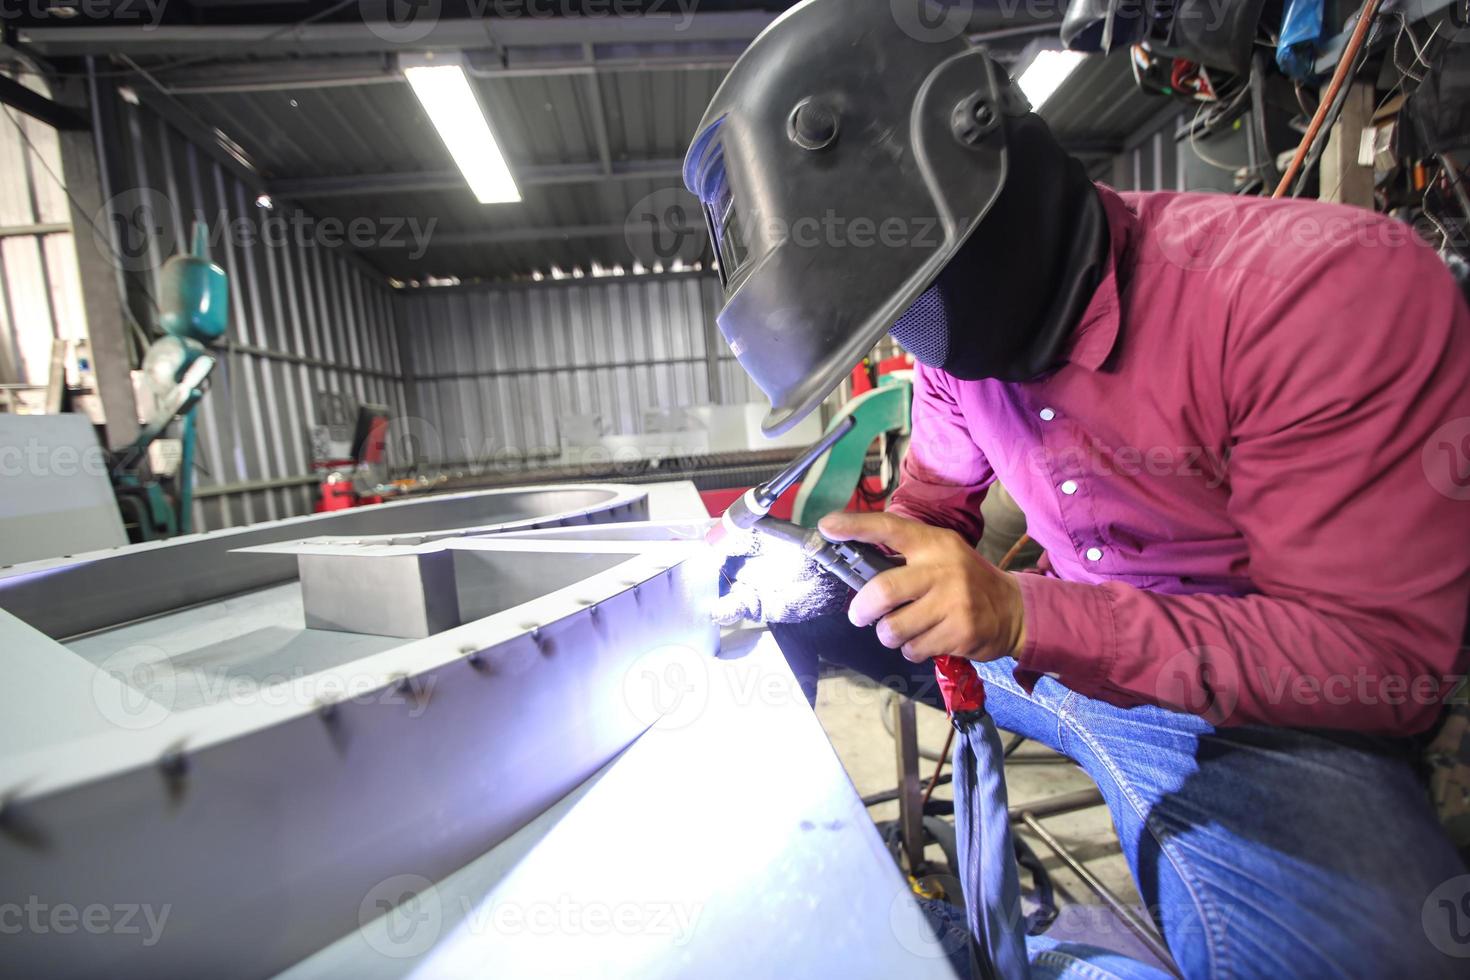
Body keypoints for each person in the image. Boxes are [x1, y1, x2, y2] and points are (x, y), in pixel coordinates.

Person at [687, 1, 1470, 976]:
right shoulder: (955, 347)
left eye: (905, 307)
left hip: (1266, 714)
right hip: (1060, 646)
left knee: (1381, 956)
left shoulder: (1321, 293)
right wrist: (843, 558)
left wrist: (1023, 614)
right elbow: (935, 507)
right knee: (792, 606)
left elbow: (1376, 658)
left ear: (983, 211)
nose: (911, 345)